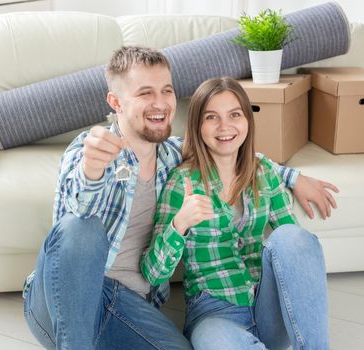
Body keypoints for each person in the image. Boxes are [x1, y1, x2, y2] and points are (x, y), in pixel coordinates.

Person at [23, 46, 336, 349]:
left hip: (129, 308)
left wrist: (293, 177)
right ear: (116, 101)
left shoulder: (174, 154)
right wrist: (91, 172)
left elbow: (230, 150)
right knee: (81, 228)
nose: (160, 103)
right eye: (145, 93)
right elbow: (71, 226)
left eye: (167, 91)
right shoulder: (89, 152)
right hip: (66, 300)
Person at [141, 77, 331, 350]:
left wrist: (295, 178)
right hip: (213, 314)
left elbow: (293, 250)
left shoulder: (264, 172)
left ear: (247, 121)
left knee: (294, 237)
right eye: (211, 117)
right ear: (197, 125)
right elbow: (152, 274)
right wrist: (179, 224)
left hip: (269, 309)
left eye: (234, 114)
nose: (224, 126)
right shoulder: (180, 182)